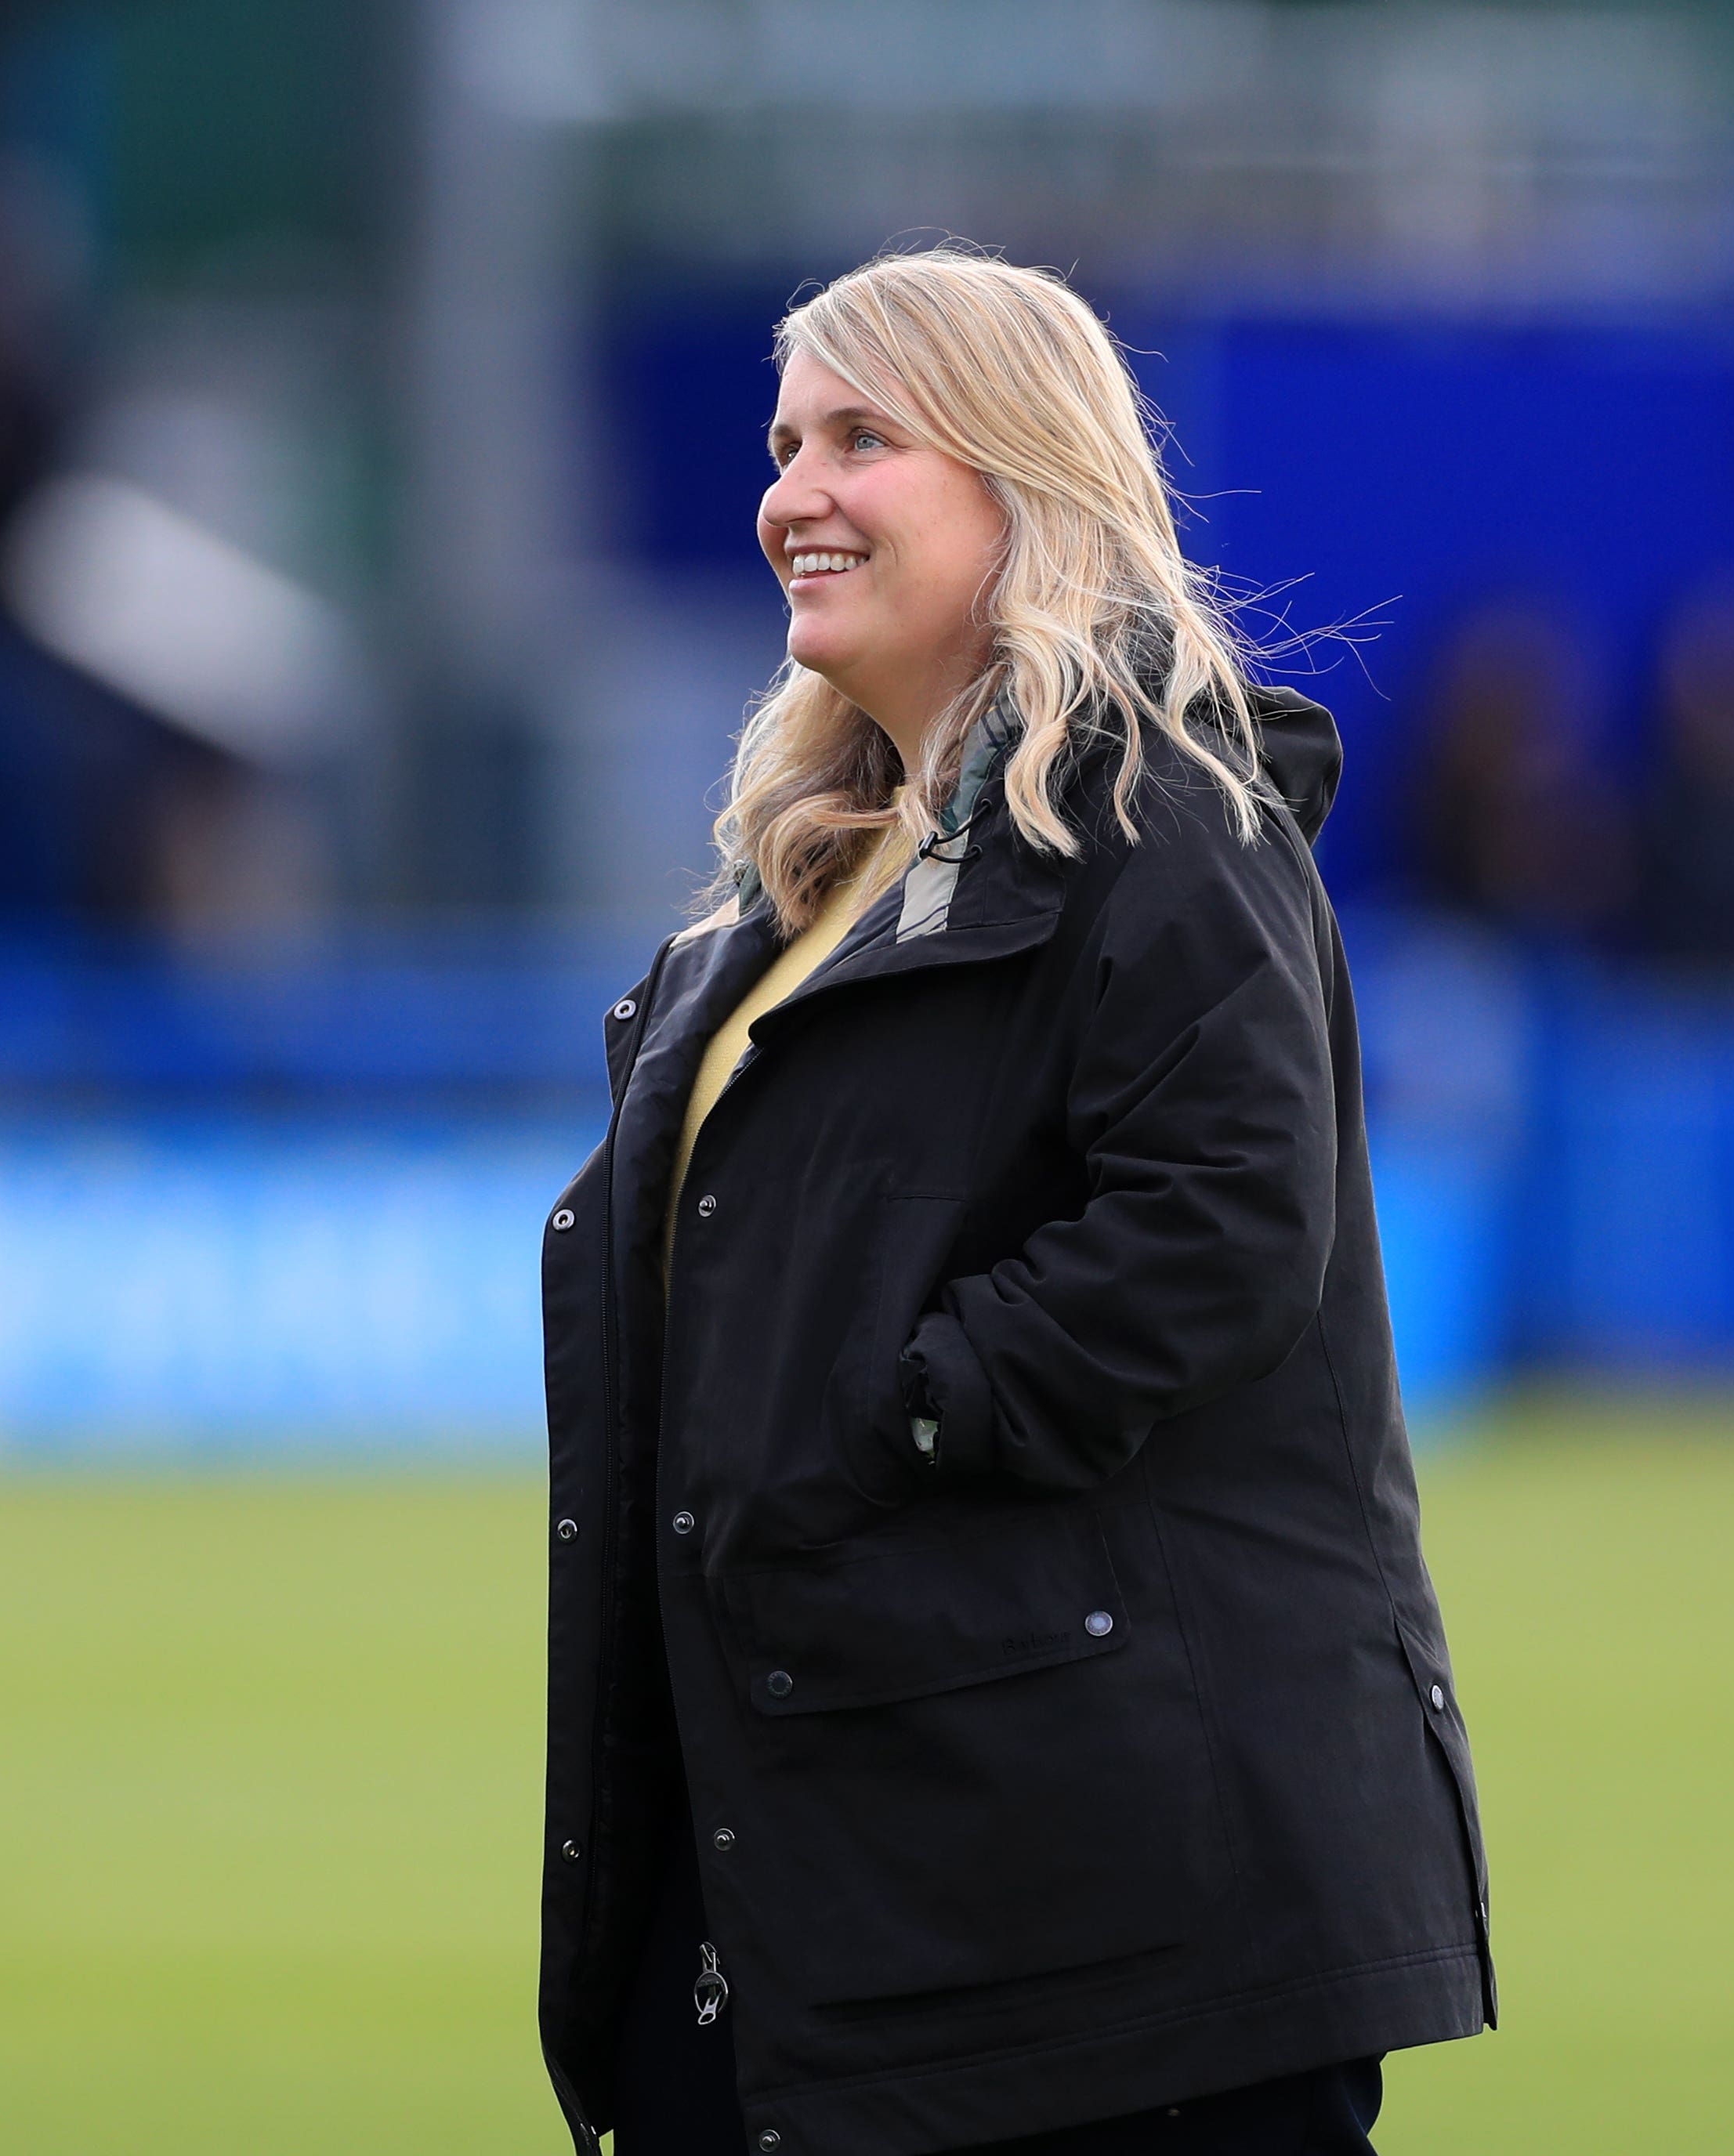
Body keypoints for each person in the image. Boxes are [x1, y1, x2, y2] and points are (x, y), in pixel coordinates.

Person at [536, 247, 1492, 2155]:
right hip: (865, 1859)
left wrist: (896, 1407)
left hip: (1113, 1917)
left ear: (1021, 473)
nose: (792, 491)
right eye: (786, 439)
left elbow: (1216, 1225)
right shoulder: (802, 878)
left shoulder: (1163, 817)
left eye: (863, 438)